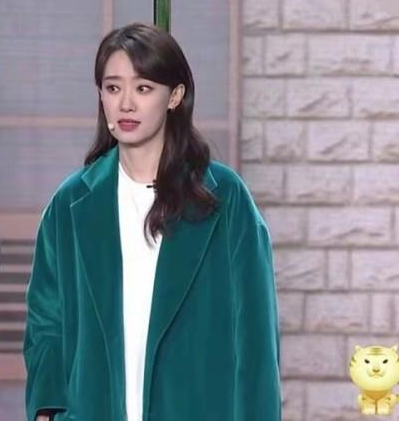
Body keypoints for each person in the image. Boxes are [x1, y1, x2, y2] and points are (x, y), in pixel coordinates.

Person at [23, 23, 281, 420]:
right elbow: (46, 323)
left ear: (174, 96)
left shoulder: (224, 198)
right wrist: (47, 411)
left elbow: (256, 337)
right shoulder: (71, 203)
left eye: (143, 88)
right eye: (113, 88)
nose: (125, 104)